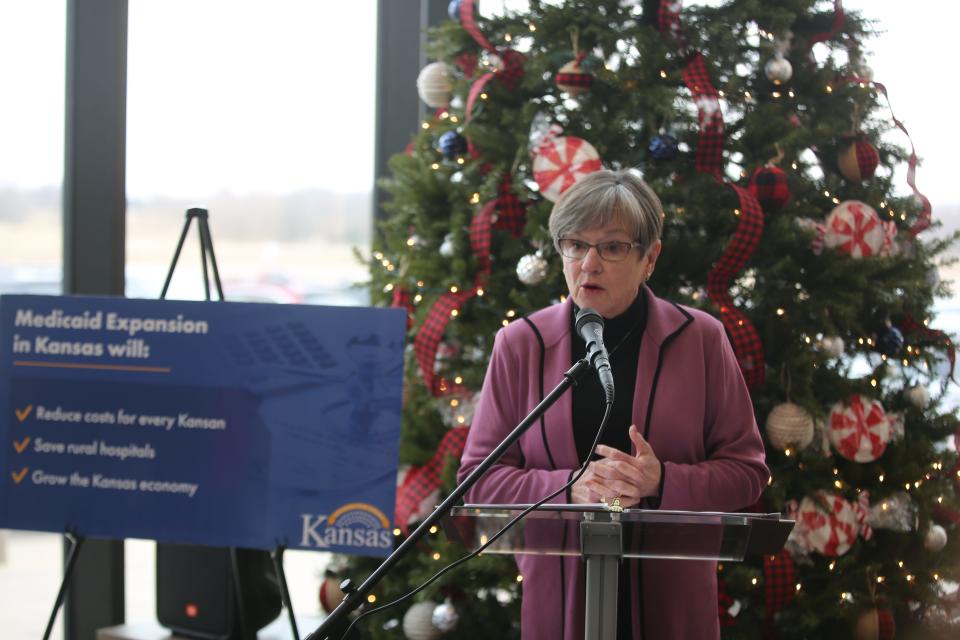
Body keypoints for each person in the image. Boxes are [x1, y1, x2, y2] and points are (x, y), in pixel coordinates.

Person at [457, 169, 769, 639]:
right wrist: (569, 490)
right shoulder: (521, 344)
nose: (589, 264)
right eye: (575, 245)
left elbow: (747, 475)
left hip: (674, 609)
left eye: (613, 247)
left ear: (650, 258)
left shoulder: (701, 339)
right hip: (559, 609)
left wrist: (662, 480)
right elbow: (478, 484)